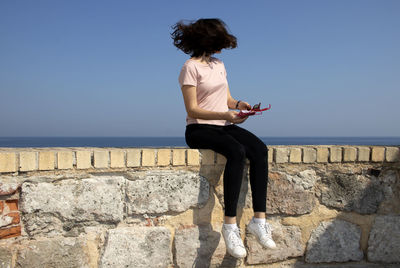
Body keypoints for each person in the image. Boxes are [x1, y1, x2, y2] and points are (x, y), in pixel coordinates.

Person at [171, 18, 276, 259]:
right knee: (236, 151)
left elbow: (226, 99)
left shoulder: (219, 64)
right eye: (220, 40)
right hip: (199, 129)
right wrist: (224, 114)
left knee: (260, 149)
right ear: (208, 40)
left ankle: (259, 220)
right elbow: (192, 109)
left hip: (224, 125)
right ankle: (230, 226)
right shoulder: (190, 67)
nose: (224, 45)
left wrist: (240, 105)